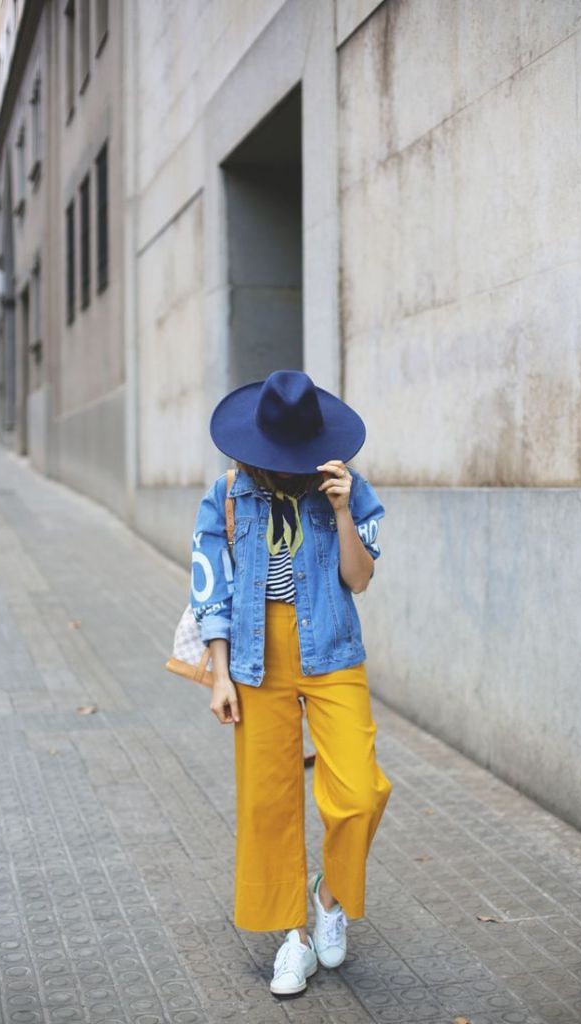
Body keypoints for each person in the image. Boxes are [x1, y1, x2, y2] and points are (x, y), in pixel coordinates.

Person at [189, 369, 393, 996]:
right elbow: (209, 588)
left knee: (360, 791)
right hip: (254, 656)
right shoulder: (228, 492)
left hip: (331, 647)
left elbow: (359, 580)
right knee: (268, 802)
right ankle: (294, 937)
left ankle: (329, 895)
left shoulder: (347, 489)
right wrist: (220, 674)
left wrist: (340, 510)